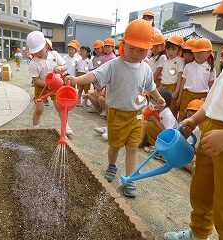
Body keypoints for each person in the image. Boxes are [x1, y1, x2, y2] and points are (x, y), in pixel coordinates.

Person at [164, 0, 223, 239]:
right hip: (211, 131)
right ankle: (198, 233)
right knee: (202, 191)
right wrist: (195, 120)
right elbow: (215, 98)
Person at [65, 19, 166, 197]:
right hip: (117, 113)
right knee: (115, 145)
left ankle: (130, 178)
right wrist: (77, 80)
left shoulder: (146, 69)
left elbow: (151, 87)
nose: (135, 53)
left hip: (137, 114)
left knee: (133, 147)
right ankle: (112, 165)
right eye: (132, 48)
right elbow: (94, 75)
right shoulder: (114, 65)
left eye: (141, 50)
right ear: (123, 45)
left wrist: (158, 98)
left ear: (148, 49)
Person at [26, 31, 73, 136]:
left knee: (59, 107)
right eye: (34, 52)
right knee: (39, 109)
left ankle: (65, 125)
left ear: (46, 46)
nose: (37, 53)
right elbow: (36, 80)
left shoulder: (54, 55)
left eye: (39, 50)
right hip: (41, 86)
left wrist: (60, 68)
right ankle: (35, 126)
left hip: (56, 85)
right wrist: (47, 84)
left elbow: (65, 66)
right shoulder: (33, 63)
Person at [177, 38, 216, 122]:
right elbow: (183, 83)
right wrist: (179, 97)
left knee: (198, 118)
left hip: (202, 96)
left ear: (208, 53)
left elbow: (211, 85)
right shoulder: (188, 66)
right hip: (187, 94)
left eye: (201, 52)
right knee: (182, 114)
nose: (198, 54)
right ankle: (178, 133)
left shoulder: (211, 68)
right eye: (196, 52)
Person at [139, 88, 177, 152]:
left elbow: (168, 134)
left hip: (167, 141)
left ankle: (157, 147)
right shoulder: (156, 109)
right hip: (159, 135)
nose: (151, 102)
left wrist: (155, 120)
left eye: (155, 100)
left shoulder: (167, 114)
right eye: (152, 99)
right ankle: (142, 140)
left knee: (149, 124)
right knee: (144, 123)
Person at [159, 35, 185, 117]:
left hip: (172, 86)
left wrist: (176, 92)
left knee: (171, 109)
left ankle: (170, 127)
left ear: (179, 50)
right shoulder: (166, 61)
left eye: (173, 49)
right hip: (163, 85)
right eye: (168, 49)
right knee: (161, 107)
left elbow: (180, 77)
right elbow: (163, 76)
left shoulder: (180, 60)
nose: (170, 51)